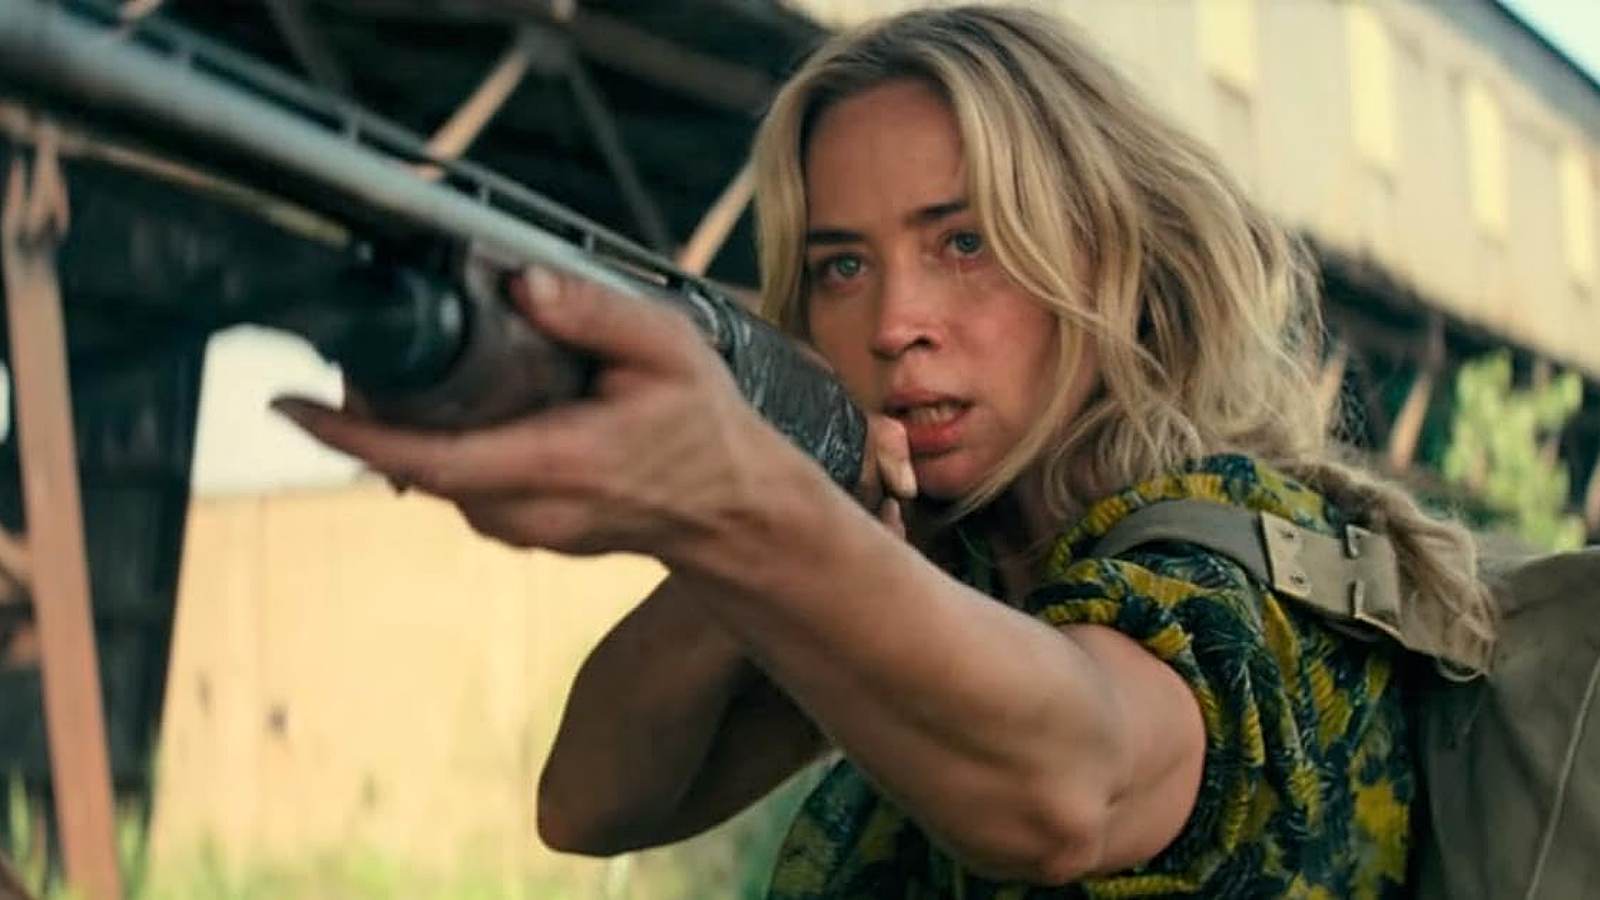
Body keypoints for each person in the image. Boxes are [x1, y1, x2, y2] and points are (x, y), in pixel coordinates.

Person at [274, 5, 1498, 896]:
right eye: (842, 266)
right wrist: (765, 513)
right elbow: (590, 803)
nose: (893, 322)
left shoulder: (1234, 555)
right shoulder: (955, 571)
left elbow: (1070, 788)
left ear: (1110, 260)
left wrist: (740, 503)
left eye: (964, 243)